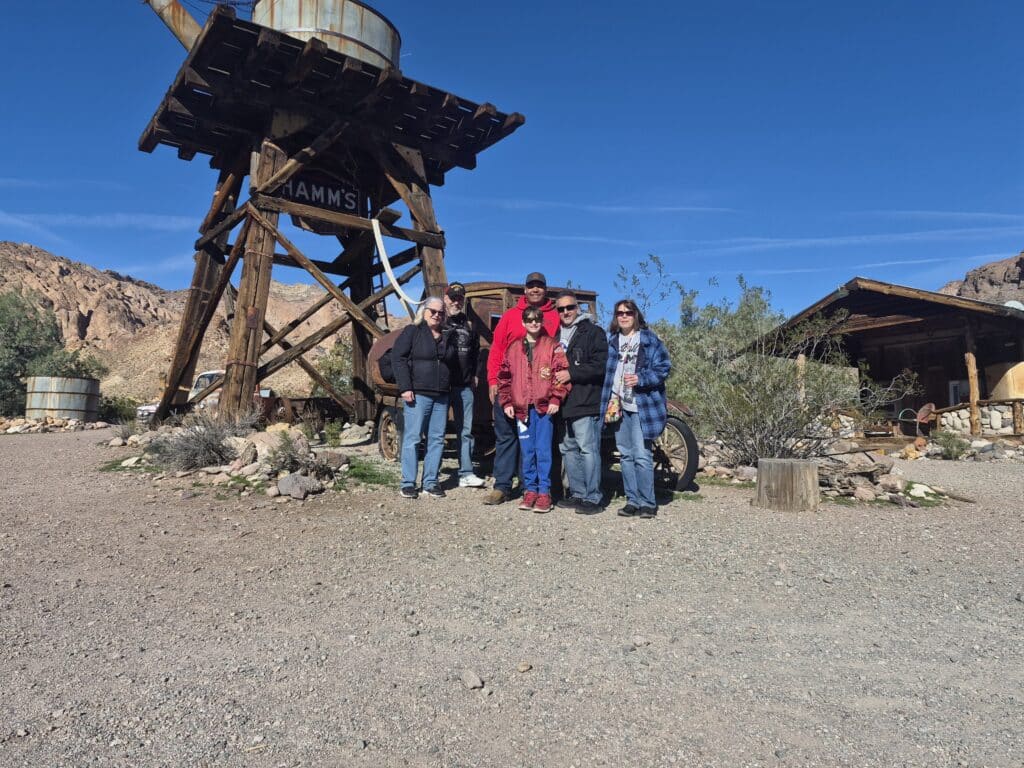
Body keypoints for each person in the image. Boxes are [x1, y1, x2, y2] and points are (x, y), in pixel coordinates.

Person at [483, 272, 560, 506]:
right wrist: (493, 381)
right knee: (507, 437)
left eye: (539, 286)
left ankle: (533, 488)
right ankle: (503, 486)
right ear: (525, 290)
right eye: (531, 286)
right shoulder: (510, 317)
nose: (535, 290)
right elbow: (497, 349)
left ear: (545, 290)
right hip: (511, 388)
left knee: (538, 442)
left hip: (539, 393)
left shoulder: (555, 317)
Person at [599, 299, 671, 519]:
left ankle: (647, 502)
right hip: (618, 405)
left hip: (642, 405)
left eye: (628, 312)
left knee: (641, 455)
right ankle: (632, 500)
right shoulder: (613, 342)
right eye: (619, 312)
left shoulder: (649, 340)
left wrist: (641, 378)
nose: (623, 316)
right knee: (626, 455)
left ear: (636, 315)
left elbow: (663, 367)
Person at [497, 307, 570, 513]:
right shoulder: (513, 348)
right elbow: (504, 377)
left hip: (544, 408)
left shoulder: (552, 346)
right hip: (522, 409)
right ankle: (530, 490)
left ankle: (544, 492)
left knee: (543, 449)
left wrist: (556, 397)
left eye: (537, 319)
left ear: (542, 322)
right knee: (527, 451)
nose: (534, 323)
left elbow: (561, 374)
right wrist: (507, 403)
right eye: (529, 319)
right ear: (523, 322)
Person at [392, 296, 457, 499]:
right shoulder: (413, 331)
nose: (437, 315)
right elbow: (398, 357)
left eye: (440, 312)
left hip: (441, 394)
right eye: (433, 311)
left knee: (436, 440)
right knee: (413, 438)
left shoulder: (447, 334)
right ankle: (408, 483)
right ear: (424, 311)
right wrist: (405, 387)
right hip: (418, 393)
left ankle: (430, 482)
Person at [552, 291, 608, 514]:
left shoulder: (593, 332)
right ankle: (578, 493)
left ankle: (593, 497)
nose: (566, 312)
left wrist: (571, 373)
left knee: (588, 449)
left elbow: (600, 365)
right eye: (561, 309)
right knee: (568, 449)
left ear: (578, 308)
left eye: (570, 308)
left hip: (585, 400)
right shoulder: (555, 335)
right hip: (563, 403)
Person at [443, 281, 486, 488]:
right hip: (441, 386)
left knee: (465, 431)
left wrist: (476, 374)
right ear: (445, 298)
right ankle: (429, 477)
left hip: (464, 386)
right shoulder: (437, 320)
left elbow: (477, 353)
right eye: (452, 297)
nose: (456, 301)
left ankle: (466, 473)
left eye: (459, 298)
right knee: (434, 433)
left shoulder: (469, 325)